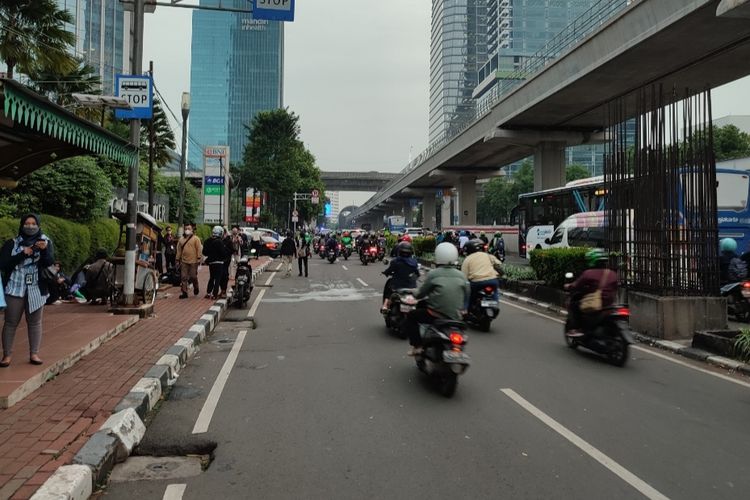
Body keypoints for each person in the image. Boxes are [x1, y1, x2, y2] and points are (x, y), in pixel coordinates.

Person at [0, 214, 54, 366]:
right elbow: (3, 264)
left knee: (35, 322)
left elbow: (49, 262)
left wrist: (43, 251)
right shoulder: (12, 243)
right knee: (10, 322)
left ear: (38, 225)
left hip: (36, 288)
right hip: (14, 287)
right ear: (21, 225)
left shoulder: (45, 241)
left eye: (33, 223)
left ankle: (34, 354)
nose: (30, 226)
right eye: (27, 223)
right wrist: (22, 254)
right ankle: (7, 355)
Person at [401, 242, 469, 356]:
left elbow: (420, 294)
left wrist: (414, 292)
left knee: (411, 316)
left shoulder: (434, 274)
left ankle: (417, 346)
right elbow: (467, 293)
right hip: (456, 316)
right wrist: (463, 308)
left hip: (436, 314)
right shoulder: (461, 275)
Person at [565, 248, 618, 338]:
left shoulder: (588, 273)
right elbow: (616, 287)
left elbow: (576, 285)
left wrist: (568, 286)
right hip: (610, 303)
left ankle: (578, 329)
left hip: (595, 303)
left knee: (574, 305)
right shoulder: (612, 274)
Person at [461, 239, 502, 309]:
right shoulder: (488, 256)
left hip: (476, 282)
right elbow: (499, 264)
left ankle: (465, 309)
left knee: (468, 294)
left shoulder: (467, 259)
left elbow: (464, 276)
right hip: (492, 280)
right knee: (495, 290)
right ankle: (495, 304)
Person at [381, 242, 419, 313]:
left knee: (388, 290)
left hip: (397, 286)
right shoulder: (414, 262)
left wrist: (385, 272)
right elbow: (417, 274)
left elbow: (389, 270)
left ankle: (385, 305)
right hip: (412, 287)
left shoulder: (396, 261)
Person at [176, 223, 203, 299]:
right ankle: (184, 292)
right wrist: (177, 259)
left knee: (193, 276)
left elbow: (199, 249)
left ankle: (196, 287)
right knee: (183, 277)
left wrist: (198, 258)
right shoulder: (181, 239)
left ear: (192, 230)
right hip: (184, 261)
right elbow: (179, 250)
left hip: (194, 261)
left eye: (189, 229)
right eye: (186, 229)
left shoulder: (196, 239)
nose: (187, 230)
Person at [203, 226, 227, 299]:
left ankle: (208, 292)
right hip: (219, 263)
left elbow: (204, 252)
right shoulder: (220, 242)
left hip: (211, 263)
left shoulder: (207, 241)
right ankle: (214, 294)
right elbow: (223, 253)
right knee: (217, 279)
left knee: (211, 278)